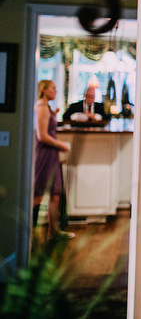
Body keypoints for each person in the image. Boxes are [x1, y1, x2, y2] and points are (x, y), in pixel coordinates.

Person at [33, 80, 73, 240]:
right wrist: (61, 144)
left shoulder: (47, 107)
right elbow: (41, 136)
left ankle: (54, 232)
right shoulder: (41, 107)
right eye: (53, 88)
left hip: (52, 155)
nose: (56, 91)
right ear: (44, 91)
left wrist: (53, 116)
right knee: (38, 195)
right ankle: (29, 234)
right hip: (45, 155)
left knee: (56, 194)